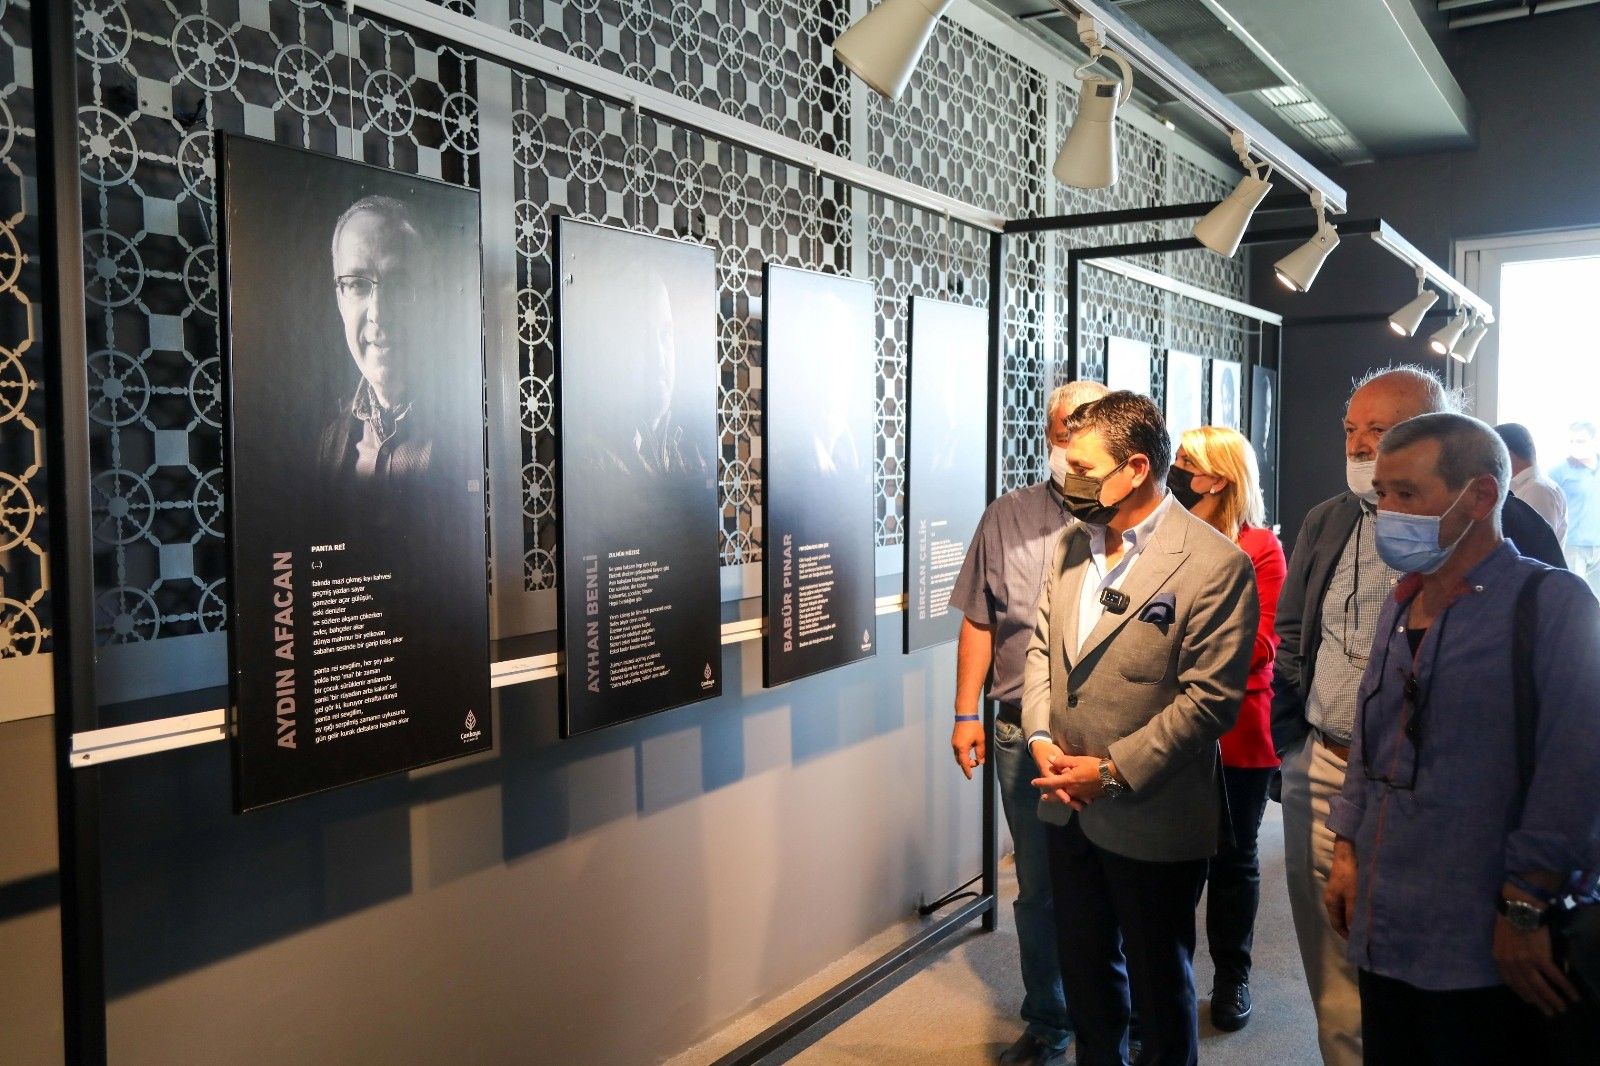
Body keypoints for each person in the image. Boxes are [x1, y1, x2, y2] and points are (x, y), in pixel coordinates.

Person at [1271, 365, 1567, 1066]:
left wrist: (1527, 895)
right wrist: (1300, 749)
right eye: (1352, 431)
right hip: (1336, 776)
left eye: (1381, 432)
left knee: (1459, 1000)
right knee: (1352, 986)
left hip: (1466, 811)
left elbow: (1571, 758)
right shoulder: (1350, 541)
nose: (1360, 447)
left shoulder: (1537, 574)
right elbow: (1298, 635)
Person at [1323, 412, 1600, 1064]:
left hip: (1487, 935)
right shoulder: (1403, 601)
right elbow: (1372, 738)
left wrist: (1524, 904)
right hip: (1387, 922)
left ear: (1479, 496)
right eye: (1382, 492)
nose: (1387, 510)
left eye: (1407, 493)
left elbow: (1577, 770)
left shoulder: (1553, 603)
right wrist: (1347, 847)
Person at [1022, 391, 1258, 1066]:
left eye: (1083, 468)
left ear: (1134, 469)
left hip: (1152, 813)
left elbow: (1209, 701)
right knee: (1088, 978)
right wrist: (1040, 741)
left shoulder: (1215, 564)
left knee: (1159, 990)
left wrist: (1111, 772)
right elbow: (1042, 652)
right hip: (1066, 807)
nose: (1068, 480)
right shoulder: (1071, 545)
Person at [950, 379, 1109, 1066]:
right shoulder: (1006, 517)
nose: (1073, 444)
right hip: (1020, 731)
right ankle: (1050, 1019)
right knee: (1039, 889)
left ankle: (1121, 1016)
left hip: (1108, 738)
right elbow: (979, 620)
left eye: (1088, 429)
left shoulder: (1133, 519)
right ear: (1049, 436)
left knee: (1117, 882)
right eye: (1064, 430)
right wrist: (966, 712)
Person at [1169, 426, 1285, 1033]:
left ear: (1218, 478)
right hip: (1169, 729)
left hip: (1239, 732)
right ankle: (1167, 981)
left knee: (1234, 860)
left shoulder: (1259, 548)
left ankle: (1232, 977)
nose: (1175, 471)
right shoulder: (1164, 540)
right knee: (1172, 862)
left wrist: (1173, 650)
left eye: (1185, 462)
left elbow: (1259, 645)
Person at [318, 195, 441, 505]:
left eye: (399, 284)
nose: (378, 312)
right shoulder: (327, 439)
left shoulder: (477, 432)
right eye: (357, 285)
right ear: (340, 300)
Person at [1495, 423, 1568, 542]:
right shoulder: (1525, 487)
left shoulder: (1538, 491)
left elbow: (1534, 546)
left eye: (1492, 453)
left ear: (1506, 453)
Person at [1551, 421, 1600, 594]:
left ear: (1594, 440)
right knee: (1576, 595)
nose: (1575, 446)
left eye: (1580, 441)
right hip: (1573, 546)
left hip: (1597, 545)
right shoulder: (1559, 472)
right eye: (1571, 441)